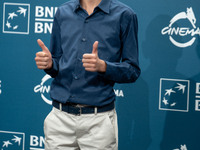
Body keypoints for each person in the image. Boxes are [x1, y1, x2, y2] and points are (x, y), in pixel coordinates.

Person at [35, 0, 140, 149]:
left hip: (98, 122)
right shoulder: (62, 12)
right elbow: (57, 63)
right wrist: (50, 64)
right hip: (59, 119)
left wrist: (103, 66)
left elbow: (132, 70)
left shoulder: (124, 15)